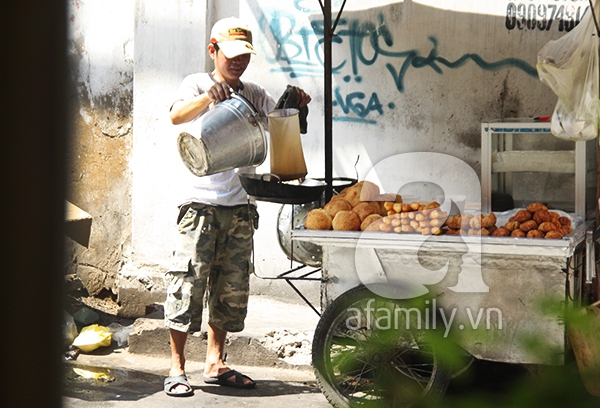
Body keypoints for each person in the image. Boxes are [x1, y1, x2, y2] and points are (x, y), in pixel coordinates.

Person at [163, 17, 311, 397]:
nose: (238, 63)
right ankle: (177, 367)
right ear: (213, 50)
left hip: (241, 205)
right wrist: (208, 98)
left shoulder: (254, 92)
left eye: (244, 56)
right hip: (200, 204)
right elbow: (176, 116)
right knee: (188, 283)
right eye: (230, 56)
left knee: (230, 289)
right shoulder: (197, 83)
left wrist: (298, 108)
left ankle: (216, 361)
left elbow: (281, 125)